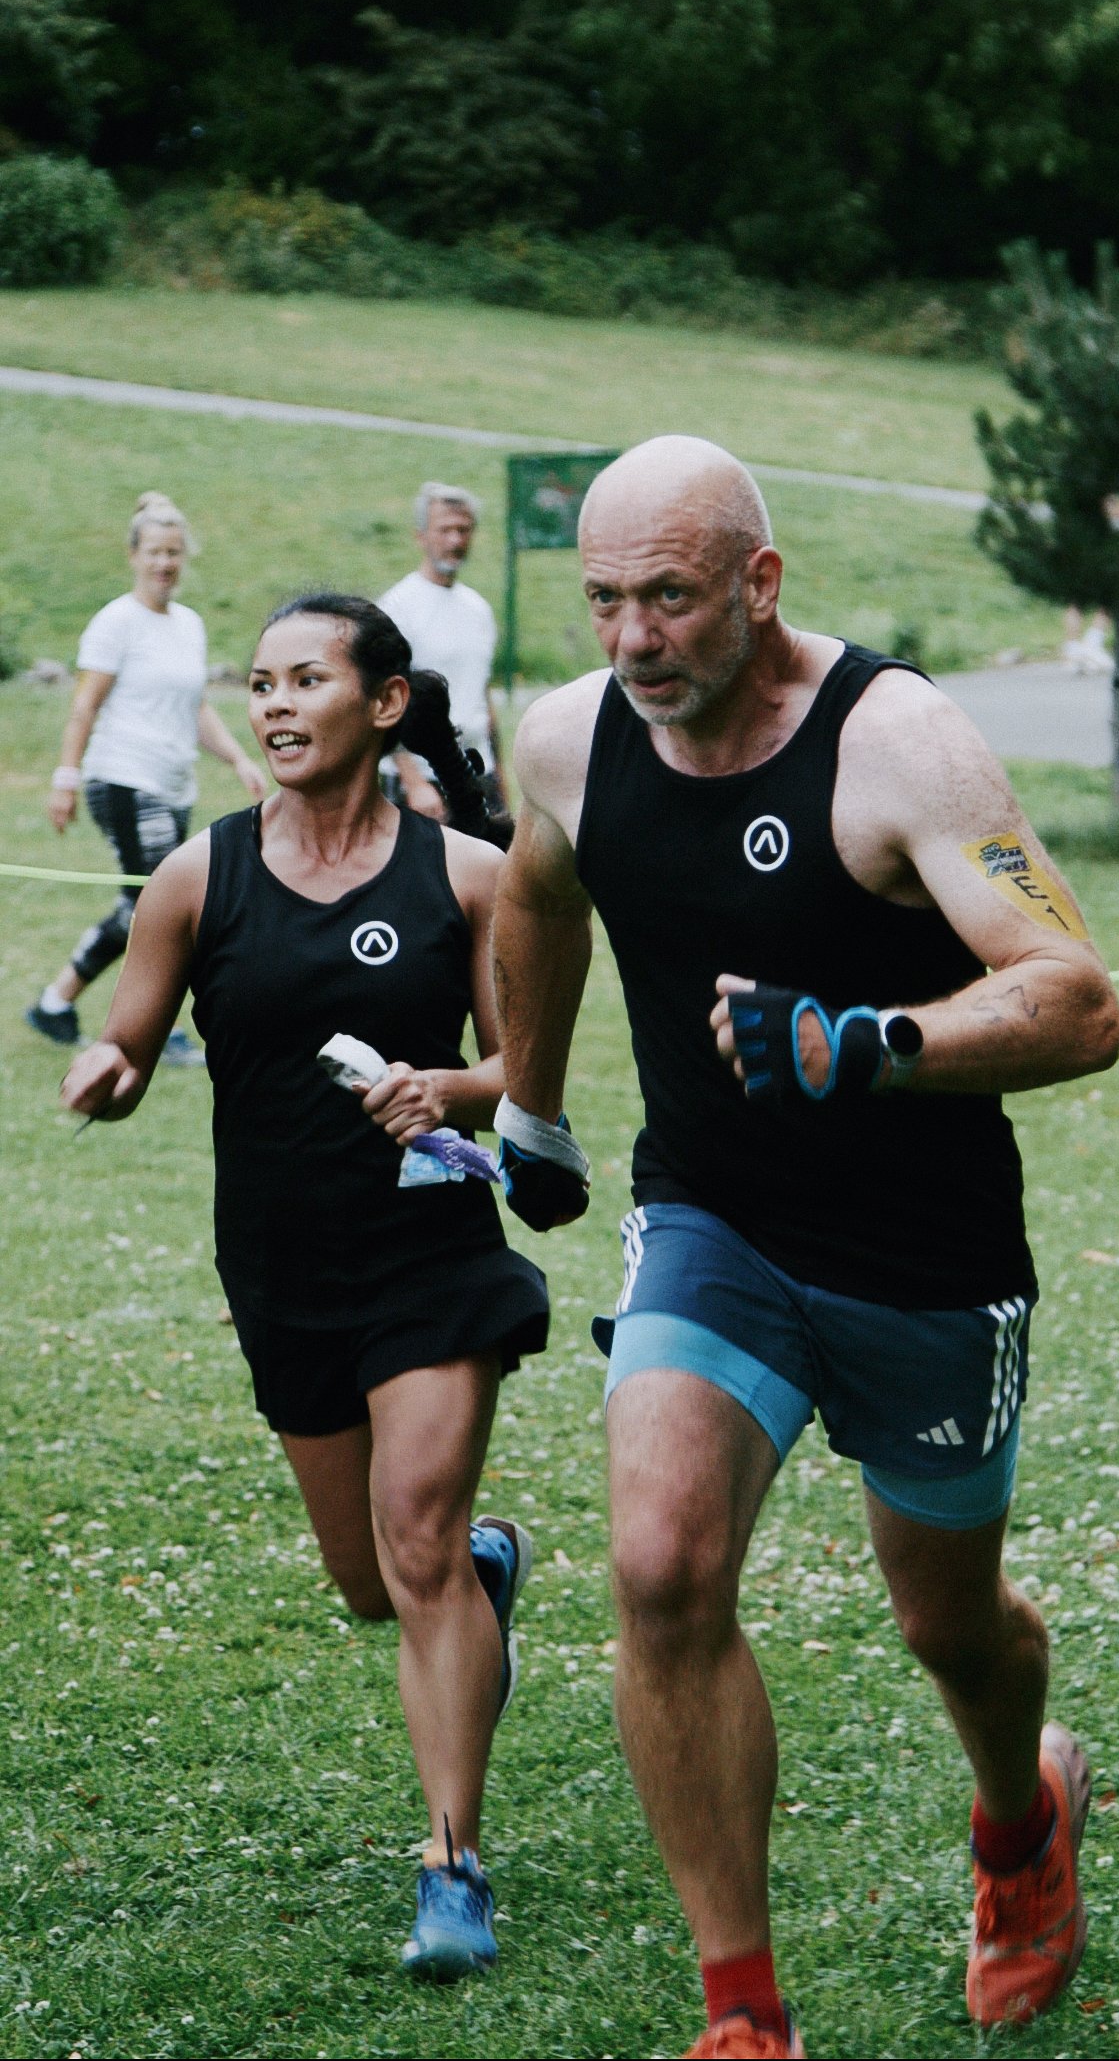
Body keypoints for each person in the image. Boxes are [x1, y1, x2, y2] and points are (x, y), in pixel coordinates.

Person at [493, 436, 1119, 2058]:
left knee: (950, 1626)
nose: (633, 638)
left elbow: (1074, 995)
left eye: (672, 598)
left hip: (927, 1254)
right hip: (712, 1222)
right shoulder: (567, 740)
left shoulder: (895, 740)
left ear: (760, 585)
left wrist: (872, 1040)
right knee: (659, 1563)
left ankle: (1017, 1819)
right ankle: (744, 2012)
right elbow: (539, 898)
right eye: (605, 599)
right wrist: (537, 1109)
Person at [60, 592, 551, 1979]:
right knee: (368, 1584)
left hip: (433, 1247)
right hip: (280, 1264)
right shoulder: (198, 878)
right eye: (259, 683)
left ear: (384, 702)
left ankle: (450, 1863)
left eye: (307, 680)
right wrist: (107, 1070)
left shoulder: (465, 874)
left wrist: (443, 1083)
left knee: (412, 1540)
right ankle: (483, 1573)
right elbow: (132, 1035)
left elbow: (526, 1069)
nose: (275, 705)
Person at [26, 490, 266, 1063]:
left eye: (175, 552)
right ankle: (155, 1033)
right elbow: (85, 705)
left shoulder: (189, 625)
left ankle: (56, 1002)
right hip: (123, 779)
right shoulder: (116, 622)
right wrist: (64, 777)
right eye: (155, 551)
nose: (165, 563)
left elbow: (196, 708)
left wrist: (237, 757)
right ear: (133, 554)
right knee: (165, 906)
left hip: (171, 782)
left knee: (142, 905)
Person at [378, 483, 507, 826]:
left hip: (478, 773)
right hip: (423, 782)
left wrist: (501, 780)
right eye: (445, 530)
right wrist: (414, 782)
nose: (455, 540)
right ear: (421, 535)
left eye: (463, 530)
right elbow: (385, 699)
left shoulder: (478, 609)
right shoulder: (397, 608)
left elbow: (482, 697)